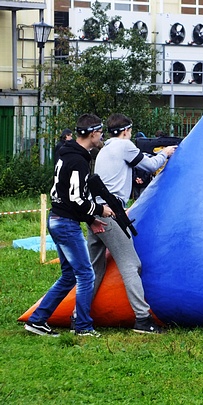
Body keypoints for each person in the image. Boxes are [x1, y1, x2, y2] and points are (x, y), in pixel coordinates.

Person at [24, 114, 113, 337]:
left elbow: (67, 195)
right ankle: (83, 326)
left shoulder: (68, 154)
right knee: (86, 274)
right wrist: (99, 210)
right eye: (101, 133)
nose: (102, 137)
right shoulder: (78, 161)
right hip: (65, 223)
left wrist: (90, 219)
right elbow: (76, 199)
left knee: (69, 275)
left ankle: (37, 320)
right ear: (93, 134)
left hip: (57, 219)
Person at [87, 113, 177, 334]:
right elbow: (150, 165)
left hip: (94, 212)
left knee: (95, 269)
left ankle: (78, 315)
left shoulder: (105, 149)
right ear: (126, 131)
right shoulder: (124, 146)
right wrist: (165, 153)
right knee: (131, 264)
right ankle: (143, 318)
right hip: (109, 213)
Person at [131, 132, 153, 200]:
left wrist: (141, 179)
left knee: (141, 198)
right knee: (138, 199)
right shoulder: (134, 153)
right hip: (138, 181)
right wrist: (136, 178)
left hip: (142, 181)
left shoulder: (147, 153)